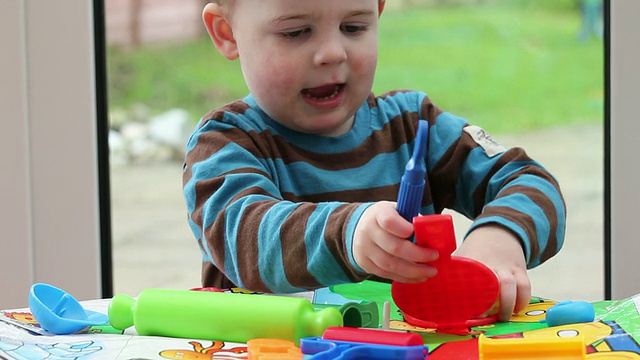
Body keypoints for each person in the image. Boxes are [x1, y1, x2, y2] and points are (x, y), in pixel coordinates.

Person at [182, 0, 566, 322]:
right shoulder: (224, 143)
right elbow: (245, 240)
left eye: (353, 26)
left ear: (378, 12)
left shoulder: (416, 126)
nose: (333, 52)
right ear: (226, 32)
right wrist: (348, 235)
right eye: (295, 32)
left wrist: (502, 237)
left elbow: (530, 181)